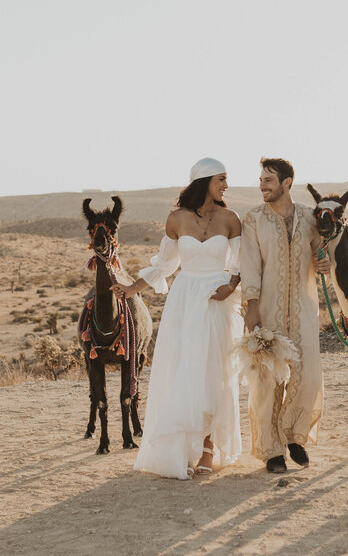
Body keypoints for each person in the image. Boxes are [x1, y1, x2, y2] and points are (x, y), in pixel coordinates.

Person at [114, 158, 243, 479]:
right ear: (204, 181)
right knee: (184, 371)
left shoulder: (231, 218)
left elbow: (242, 262)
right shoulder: (176, 219)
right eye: (221, 179)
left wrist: (231, 285)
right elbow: (165, 265)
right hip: (184, 299)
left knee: (214, 371)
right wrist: (132, 289)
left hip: (216, 301)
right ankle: (185, 447)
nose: (226, 185)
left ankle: (209, 447)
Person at [240, 157, 331, 474]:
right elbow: (250, 263)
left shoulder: (309, 218)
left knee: (307, 375)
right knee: (266, 380)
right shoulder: (254, 220)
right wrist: (251, 305)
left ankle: (294, 437)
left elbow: (323, 253)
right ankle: (271, 450)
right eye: (260, 180)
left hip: (305, 310)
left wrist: (323, 263)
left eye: (268, 180)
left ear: (287, 183)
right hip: (267, 311)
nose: (262, 186)